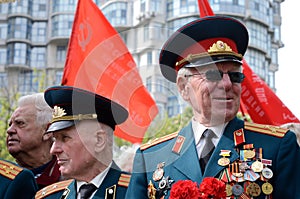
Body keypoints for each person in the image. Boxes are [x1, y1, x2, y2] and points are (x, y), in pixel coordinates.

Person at [125, 16, 300, 199]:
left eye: (234, 76)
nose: (226, 84)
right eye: (212, 74)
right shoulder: (151, 158)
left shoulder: (277, 147)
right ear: (184, 87)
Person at [36, 85, 131, 199]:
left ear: (99, 141)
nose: (53, 150)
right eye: (55, 139)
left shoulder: (136, 193)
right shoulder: (49, 197)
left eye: (65, 138)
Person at [6, 93, 62, 189]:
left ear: (47, 132)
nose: (9, 130)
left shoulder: (71, 179)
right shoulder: (5, 179)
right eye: (10, 124)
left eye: (20, 123)